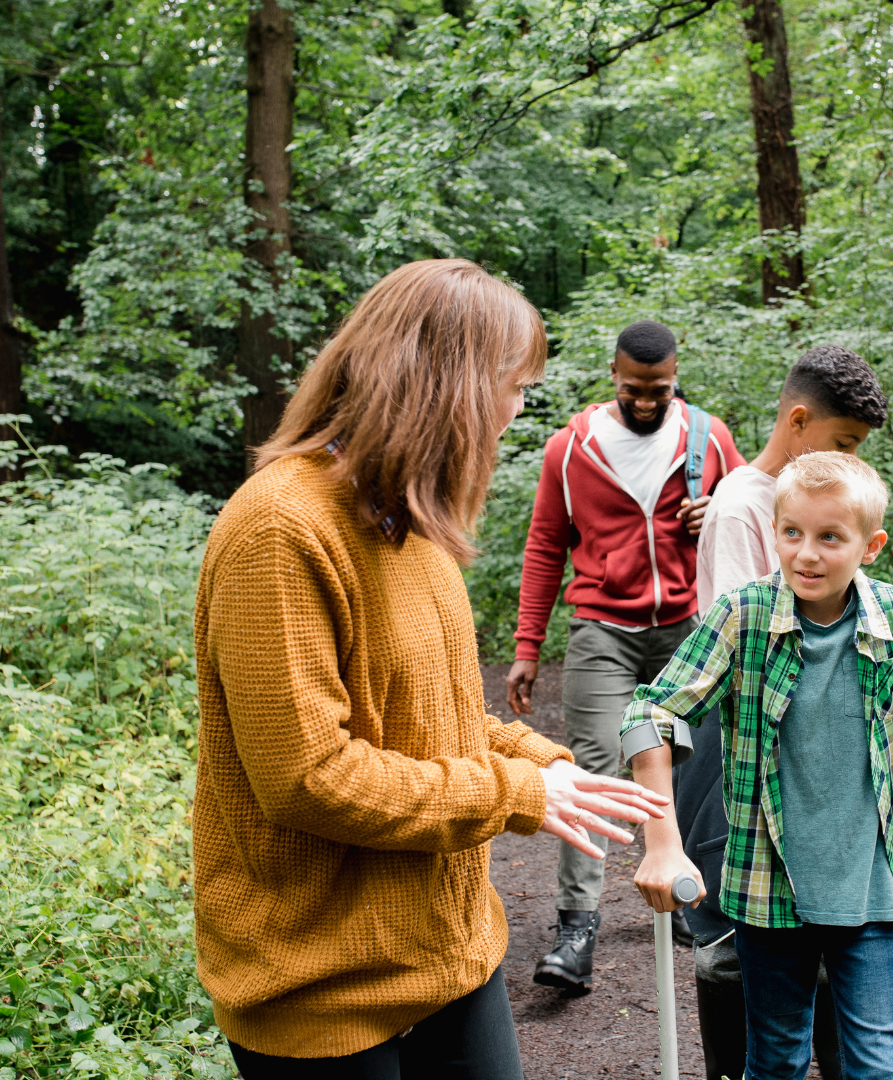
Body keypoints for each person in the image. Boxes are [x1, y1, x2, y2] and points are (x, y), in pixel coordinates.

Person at [191, 259, 670, 1079]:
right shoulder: (279, 530)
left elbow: (432, 719)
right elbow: (310, 776)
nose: (518, 410)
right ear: (446, 384)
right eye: (513, 385)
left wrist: (548, 768)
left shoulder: (411, 525)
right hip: (321, 987)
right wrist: (517, 793)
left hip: (450, 956)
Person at [621, 452, 893, 1080]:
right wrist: (662, 844)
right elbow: (652, 714)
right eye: (792, 532)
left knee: (877, 1065)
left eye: (830, 537)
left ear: (870, 545)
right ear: (775, 532)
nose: (807, 554)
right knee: (776, 1060)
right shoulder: (742, 617)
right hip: (769, 890)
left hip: (873, 889)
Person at [507, 320, 745, 993]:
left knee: (697, 764)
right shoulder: (571, 447)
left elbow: (752, 516)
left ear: (676, 378)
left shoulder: (711, 439)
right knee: (593, 769)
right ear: (614, 376)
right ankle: (576, 930)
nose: (646, 401)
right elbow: (546, 545)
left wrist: (714, 516)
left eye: (660, 390)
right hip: (602, 629)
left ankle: (691, 900)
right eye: (634, 389)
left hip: (688, 628)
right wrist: (528, 646)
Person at [682, 344, 887, 1080]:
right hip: (737, 751)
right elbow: (750, 641)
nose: (850, 461)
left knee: (820, 934)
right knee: (732, 941)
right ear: (798, 422)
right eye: (844, 444)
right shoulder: (744, 507)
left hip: (802, 753)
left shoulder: (796, 504)